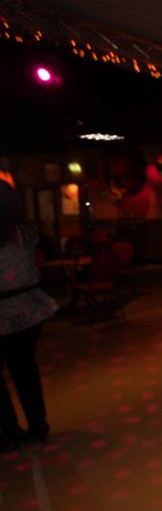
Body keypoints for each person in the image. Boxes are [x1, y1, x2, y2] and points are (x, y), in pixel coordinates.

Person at [0, 181, 58, 451]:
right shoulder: (27, 229)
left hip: (4, 307)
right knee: (24, 367)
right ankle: (38, 422)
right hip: (30, 306)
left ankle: (9, 428)